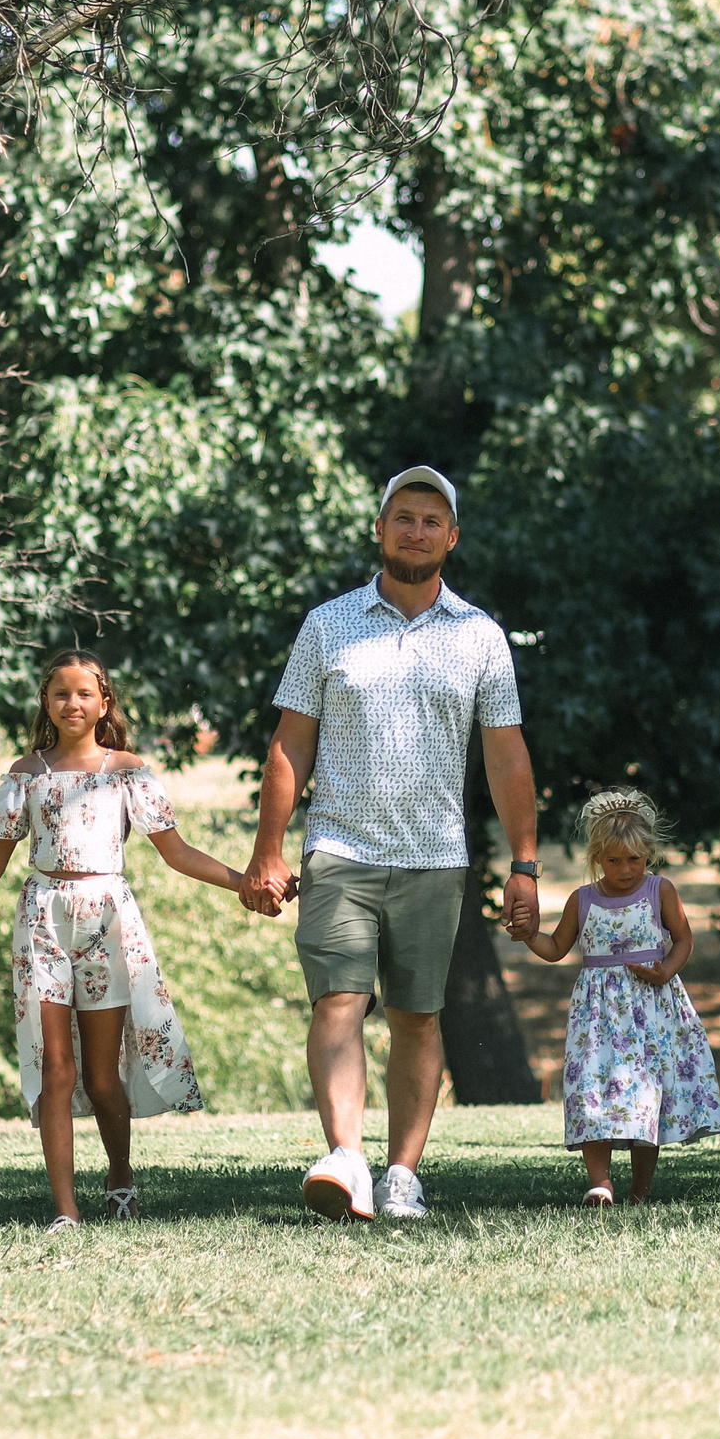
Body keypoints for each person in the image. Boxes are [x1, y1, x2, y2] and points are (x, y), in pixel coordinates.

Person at [243, 465, 542, 1223]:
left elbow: (507, 755)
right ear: (380, 529)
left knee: (417, 1014)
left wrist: (527, 863)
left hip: (435, 856)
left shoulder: (479, 635)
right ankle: (347, 1158)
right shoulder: (328, 623)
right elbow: (291, 744)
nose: (415, 530)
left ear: (452, 537)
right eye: (402, 516)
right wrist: (269, 849)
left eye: (430, 520)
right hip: (339, 845)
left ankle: (403, 1173)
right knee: (338, 999)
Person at [0, 650, 258, 1230]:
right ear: (45, 704)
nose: (72, 703)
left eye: (84, 694)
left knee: (102, 1078)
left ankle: (120, 1173)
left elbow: (176, 853)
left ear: (104, 703)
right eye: (60, 693)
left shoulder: (127, 770)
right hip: (42, 919)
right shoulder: (26, 775)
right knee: (57, 1067)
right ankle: (65, 1209)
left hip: (106, 918)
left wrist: (244, 882)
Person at [509, 789, 720, 1204]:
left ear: (649, 854)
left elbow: (683, 940)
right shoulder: (582, 900)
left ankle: (640, 1189)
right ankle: (600, 1182)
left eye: (634, 859)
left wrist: (666, 970)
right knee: (593, 1091)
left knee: (647, 1096)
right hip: (598, 1018)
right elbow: (556, 948)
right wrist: (529, 935)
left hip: (651, 1012)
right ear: (596, 858)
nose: (625, 870)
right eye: (613, 861)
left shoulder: (660, 892)